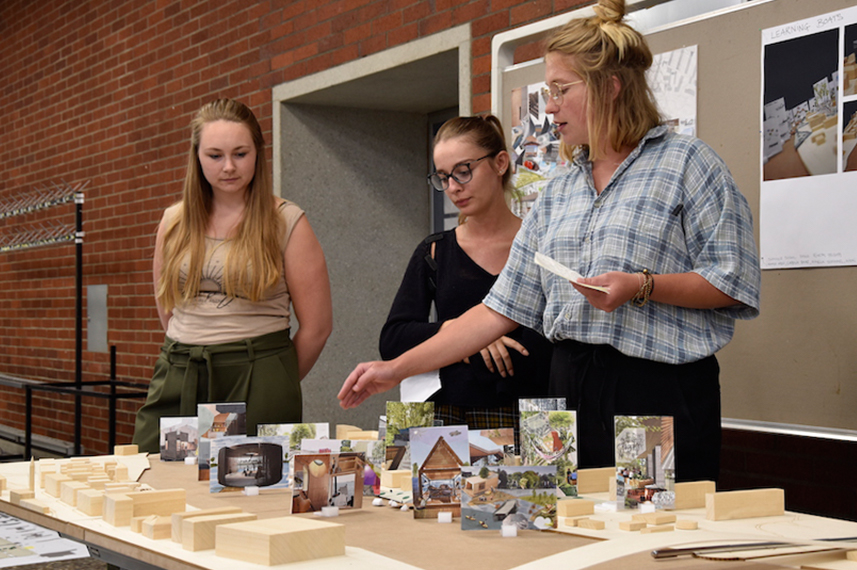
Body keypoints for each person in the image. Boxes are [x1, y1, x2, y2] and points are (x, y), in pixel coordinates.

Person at [339, 0, 761, 482]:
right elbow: (495, 311)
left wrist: (641, 285)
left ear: (610, 86)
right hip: (567, 394)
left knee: (650, 535)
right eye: (547, 90)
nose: (551, 104)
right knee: (568, 533)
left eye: (561, 89)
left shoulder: (687, 164)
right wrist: (395, 369)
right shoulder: (560, 188)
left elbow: (734, 282)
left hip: (654, 392)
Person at [133, 98, 332, 453]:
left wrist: (274, 378)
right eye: (215, 155)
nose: (228, 166)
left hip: (258, 373)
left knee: (250, 491)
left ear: (258, 153)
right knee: (157, 475)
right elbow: (167, 306)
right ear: (197, 156)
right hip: (181, 369)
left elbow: (317, 326)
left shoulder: (288, 221)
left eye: (240, 153)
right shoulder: (173, 221)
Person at [379, 115, 552, 435]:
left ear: (500, 163)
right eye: (443, 177)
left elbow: (561, 335)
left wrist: (486, 333)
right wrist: (463, 336)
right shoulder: (434, 252)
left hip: (537, 419)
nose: (453, 187)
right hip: (447, 417)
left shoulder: (544, 244)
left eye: (463, 171)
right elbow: (392, 340)